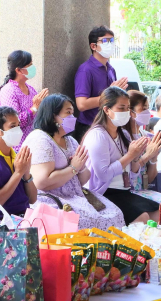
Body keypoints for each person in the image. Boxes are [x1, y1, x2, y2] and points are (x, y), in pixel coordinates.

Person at [24, 94, 125, 230]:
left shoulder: (70, 141)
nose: (72, 117)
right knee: (90, 220)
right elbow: (42, 182)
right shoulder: (40, 139)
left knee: (115, 214)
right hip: (51, 199)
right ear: (53, 115)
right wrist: (73, 168)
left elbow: (82, 180)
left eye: (72, 112)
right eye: (68, 112)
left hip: (76, 195)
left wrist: (81, 167)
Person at [81, 87, 161, 224]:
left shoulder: (123, 134)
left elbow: (134, 175)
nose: (126, 113)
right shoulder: (98, 135)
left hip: (124, 190)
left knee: (160, 213)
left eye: (128, 108)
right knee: (142, 218)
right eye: (121, 108)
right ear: (107, 110)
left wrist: (137, 156)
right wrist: (130, 156)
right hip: (103, 193)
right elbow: (103, 175)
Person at [74, 26, 129, 142]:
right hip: (89, 127)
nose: (110, 44)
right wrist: (109, 94)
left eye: (112, 41)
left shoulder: (111, 69)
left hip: (109, 126)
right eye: (105, 41)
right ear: (93, 46)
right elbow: (81, 105)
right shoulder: (85, 70)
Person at [0, 50, 49, 150]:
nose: (33, 67)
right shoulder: (9, 90)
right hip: (17, 148)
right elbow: (15, 122)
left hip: (33, 145)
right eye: (29, 65)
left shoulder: (31, 89)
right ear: (19, 70)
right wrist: (34, 108)